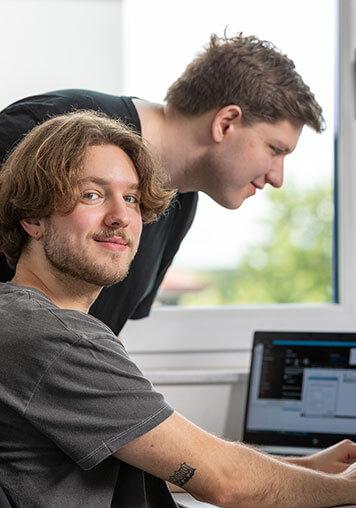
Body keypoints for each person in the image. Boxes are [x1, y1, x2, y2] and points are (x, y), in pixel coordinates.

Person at [1, 111, 356, 508]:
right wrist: (347, 488)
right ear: (32, 216)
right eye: (92, 194)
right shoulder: (54, 337)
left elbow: (166, 462)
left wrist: (311, 467)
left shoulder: (24, 320)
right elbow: (225, 482)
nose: (121, 217)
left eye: (131, 198)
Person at [0, 33, 324, 335]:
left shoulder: (180, 200)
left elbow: (97, 334)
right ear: (226, 123)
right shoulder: (43, 130)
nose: (277, 177)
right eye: (275, 150)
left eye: (131, 199)